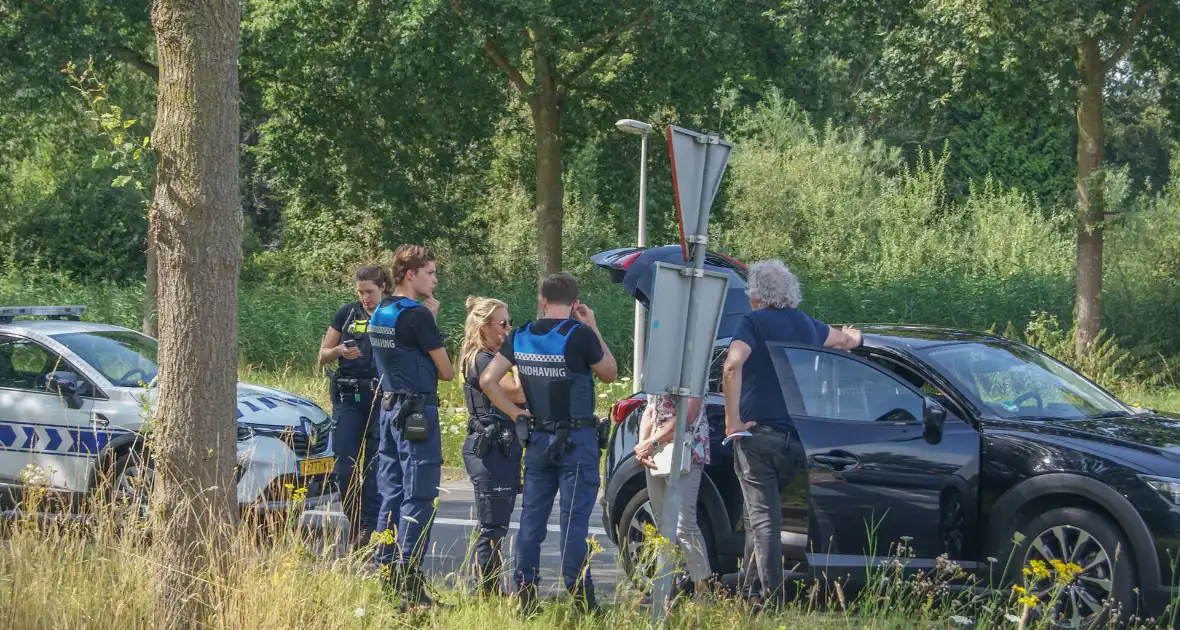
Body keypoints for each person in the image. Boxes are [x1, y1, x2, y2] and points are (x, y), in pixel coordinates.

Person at [722, 259, 862, 612]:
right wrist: (856, 338)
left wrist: (732, 421)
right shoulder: (807, 325)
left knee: (765, 518)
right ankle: (750, 591)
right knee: (757, 515)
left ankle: (772, 599)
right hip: (800, 440)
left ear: (755, 295)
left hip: (759, 438)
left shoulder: (752, 323)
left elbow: (732, 364)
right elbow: (844, 340)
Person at [481, 272, 617, 615]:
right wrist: (594, 327)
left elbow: (488, 380)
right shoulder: (580, 335)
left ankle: (525, 594)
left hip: (538, 438)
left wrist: (515, 414)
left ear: (542, 300)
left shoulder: (521, 335)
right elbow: (610, 372)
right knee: (574, 520)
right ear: (575, 304)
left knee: (532, 519)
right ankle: (580, 598)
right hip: (577, 439)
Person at [367, 244, 454, 609]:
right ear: (410, 275)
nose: (435, 279)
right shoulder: (417, 316)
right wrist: (432, 319)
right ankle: (410, 580)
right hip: (417, 414)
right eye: (431, 273)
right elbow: (447, 372)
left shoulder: (380, 312)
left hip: (388, 411)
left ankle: (384, 570)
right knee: (419, 494)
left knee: (390, 493)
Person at [316, 265, 390, 552]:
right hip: (348, 398)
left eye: (370, 292)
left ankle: (366, 529)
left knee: (373, 470)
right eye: (360, 292)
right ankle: (358, 519)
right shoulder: (347, 313)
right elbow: (322, 355)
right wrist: (338, 352)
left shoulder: (392, 314)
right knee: (343, 468)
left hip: (379, 398)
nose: (365, 298)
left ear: (383, 286)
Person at [458, 296, 526, 596]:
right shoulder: (483, 360)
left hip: (500, 445)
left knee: (497, 522)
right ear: (484, 326)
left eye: (509, 322)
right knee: (492, 524)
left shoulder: (486, 356)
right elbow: (519, 393)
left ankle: (489, 586)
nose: (508, 329)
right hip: (489, 445)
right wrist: (516, 358)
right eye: (503, 324)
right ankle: (486, 589)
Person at [633, 392, 713, 606]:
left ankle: (703, 591)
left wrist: (651, 441)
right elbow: (650, 409)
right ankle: (667, 588)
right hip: (656, 449)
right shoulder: (660, 366)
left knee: (683, 524)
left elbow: (687, 414)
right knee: (662, 523)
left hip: (687, 449)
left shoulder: (695, 364)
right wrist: (643, 446)